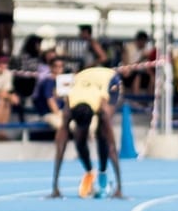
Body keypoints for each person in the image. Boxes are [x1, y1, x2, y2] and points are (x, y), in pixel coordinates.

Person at [48, 66, 124, 199]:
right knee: (79, 138)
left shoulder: (102, 107)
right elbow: (60, 147)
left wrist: (119, 188)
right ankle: (89, 171)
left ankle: (103, 173)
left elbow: (112, 147)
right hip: (82, 77)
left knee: (103, 133)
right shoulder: (69, 107)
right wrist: (55, 187)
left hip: (109, 79)